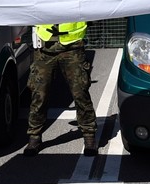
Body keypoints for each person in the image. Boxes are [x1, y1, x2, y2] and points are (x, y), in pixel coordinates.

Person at [25, 22, 98, 156]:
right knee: (39, 94)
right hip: (45, 46)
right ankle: (34, 137)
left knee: (80, 92)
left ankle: (89, 135)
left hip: (72, 46)